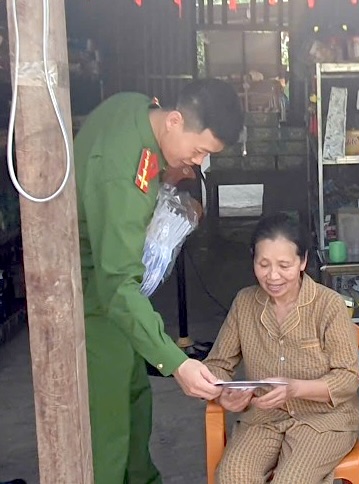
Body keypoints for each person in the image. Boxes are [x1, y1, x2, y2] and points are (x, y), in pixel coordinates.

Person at [75, 79, 244, 483]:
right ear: (173, 120)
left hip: (117, 297)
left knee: (135, 399)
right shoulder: (121, 178)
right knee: (110, 423)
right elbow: (117, 287)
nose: (198, 163)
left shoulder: (134, 106)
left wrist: (163, 184)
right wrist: (176, 363)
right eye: (199, 150)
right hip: (94, 301)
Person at [203, 212, 359, 484]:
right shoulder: (245, 303)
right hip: (263, 417)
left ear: (303, 262)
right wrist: (223, 393)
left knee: (292, 481)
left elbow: (348, 377)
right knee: (232, 476)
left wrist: (295, 388)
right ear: (253, 258)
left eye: (284, 265)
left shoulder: (328, 306)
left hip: (324, 420)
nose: (273, 276)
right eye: (263, 264)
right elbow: (217, 365)